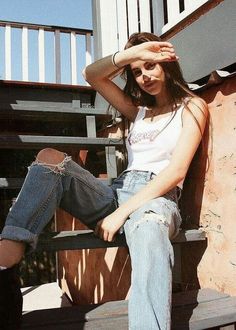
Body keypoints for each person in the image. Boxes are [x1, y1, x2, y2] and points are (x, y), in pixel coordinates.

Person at [0, 32, 208, 329]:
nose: (144, 76)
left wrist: (121, 214)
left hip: (155, 199)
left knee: (150, 228)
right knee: (49, 158)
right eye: (136, 72)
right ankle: (5, 266)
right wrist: (128, 56)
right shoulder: (139, 112)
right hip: (116, 192)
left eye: (150, 66)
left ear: (167, 65)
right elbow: (91, 75)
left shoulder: (191, 106)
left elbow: (176, 172)